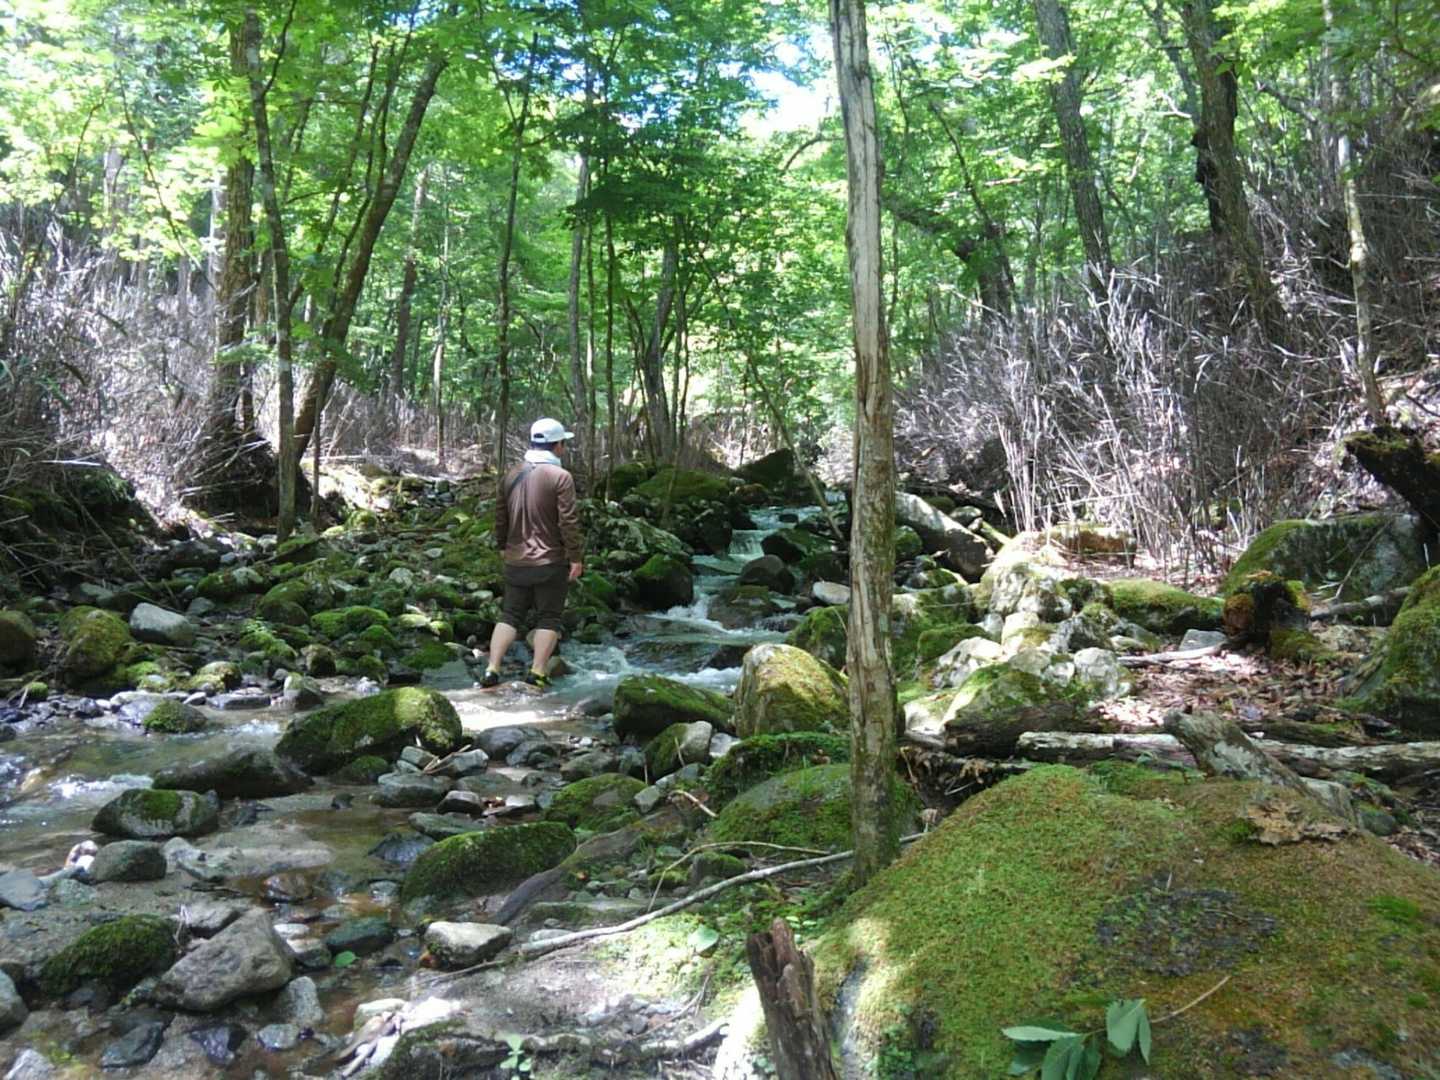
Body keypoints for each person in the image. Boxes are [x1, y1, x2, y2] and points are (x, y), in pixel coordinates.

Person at [480, 417, 584, 690]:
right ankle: (537, 672)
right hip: (550, 561)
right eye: (563, 444)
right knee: (549, 617)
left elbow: (500, 517)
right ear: (557, 446)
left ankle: (492, 669)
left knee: (509, 615)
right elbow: (568, 521)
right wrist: (575, 557)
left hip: (515, 561)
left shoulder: (511, 474)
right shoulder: (561, 477)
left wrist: (503, 547)